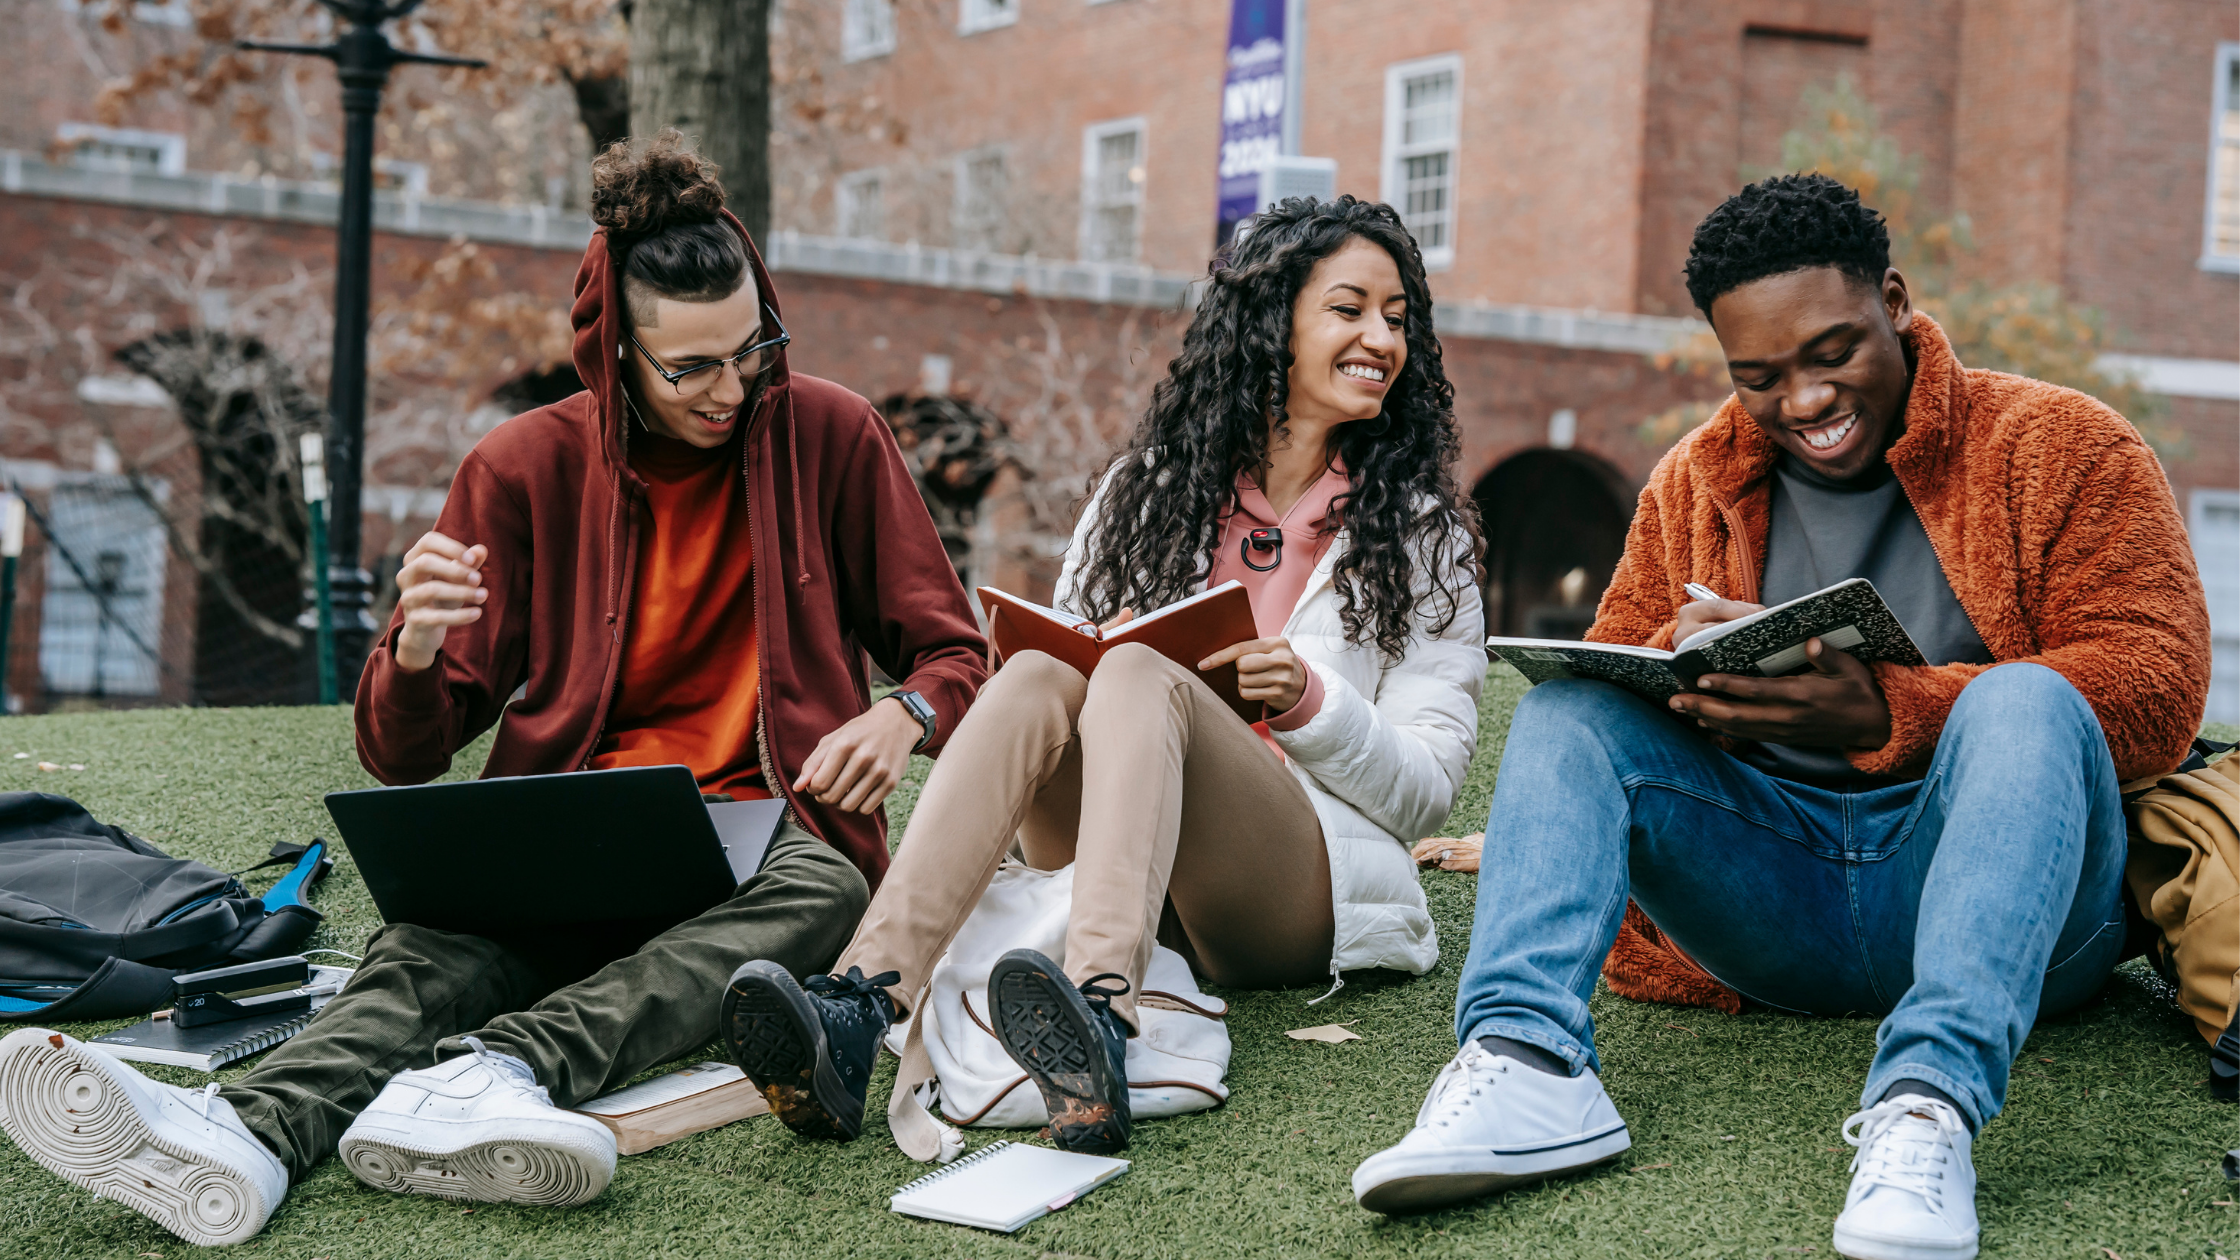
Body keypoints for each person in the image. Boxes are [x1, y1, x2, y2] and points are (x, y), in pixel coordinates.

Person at [0, 131, 989, 1247]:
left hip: (766, 833)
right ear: (616, 351)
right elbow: (404, 753)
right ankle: (243, 1133)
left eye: (751, 347)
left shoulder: (833, 434)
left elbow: (956, 653)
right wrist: (414, 649)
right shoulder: (519, 467)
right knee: (431, 947)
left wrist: (899, 713)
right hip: (568, 825)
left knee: (830, 896)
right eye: (693, 367)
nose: (735, 386)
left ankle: (499, 1072)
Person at [1351, 174, 2209, 1260]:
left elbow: (2157, 685)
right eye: (1757, 375)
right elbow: (1619, 680)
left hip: (2013, 916)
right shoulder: (1692, 480)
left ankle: (1924, 1107)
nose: (1800, 401)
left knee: (2026, 698)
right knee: (1571, 708)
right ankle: (1526, 1069)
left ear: (1893, 299)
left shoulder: (2063, 447)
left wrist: (1887, 712)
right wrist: (1697, 683)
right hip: (1772, 900)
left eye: (1829, 354)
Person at [719, 195, 1485, 1157]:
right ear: (1272, 323)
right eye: (1349, 309)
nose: (1382, 337)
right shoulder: (1147, 491)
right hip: (1111, 855)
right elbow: (1070, 669)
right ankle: (859, 1004)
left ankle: (1098, 1019)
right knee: (1046, 669)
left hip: (1287, 889)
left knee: (1137, 678)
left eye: (1398, 317)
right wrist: (1095, 647)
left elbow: (1423, 792)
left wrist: (1307, 701)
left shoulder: (1420, 536)